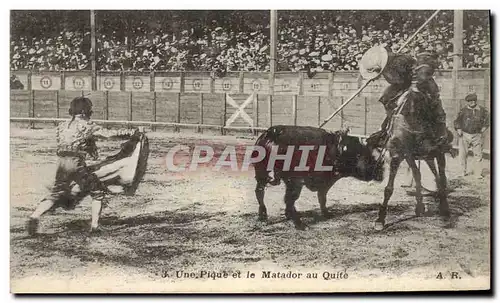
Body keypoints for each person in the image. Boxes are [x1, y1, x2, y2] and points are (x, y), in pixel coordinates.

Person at [26, 96, 138, 236]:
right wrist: (130, 133)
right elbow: (108, 135)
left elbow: (71, 141)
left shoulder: (62, 125)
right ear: (85, 112)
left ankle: (34, 216)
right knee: (97, 191)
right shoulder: (88, 125)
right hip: (76, 163)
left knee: (56, 193)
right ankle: (95, 227)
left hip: (61, 163)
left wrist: (89, 146)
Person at [360, 46, 450, 149]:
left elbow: (417, 73)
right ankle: (389, 124)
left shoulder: (401, 61)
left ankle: (440, 130)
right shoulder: (386, 66)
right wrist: (375, 76)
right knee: (385, 98)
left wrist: (413, 86)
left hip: (417, 81)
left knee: (432, 101)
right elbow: (395, 81)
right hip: (401, 85)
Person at [454, 93, 490, 177]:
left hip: (477, 135)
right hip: (465, 135)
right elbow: (457, 121)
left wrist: (483, 129)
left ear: (476, 101)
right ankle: (462, 172)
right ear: (467, 102)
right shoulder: (463, 110)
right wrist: (458, 129)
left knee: (478, 155)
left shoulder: (482, 110)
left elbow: (488, 120)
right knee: (462, 155)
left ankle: (478, 173)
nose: (472, 102)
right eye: (470, 101)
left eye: (474, 100)